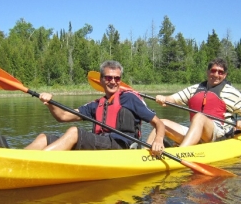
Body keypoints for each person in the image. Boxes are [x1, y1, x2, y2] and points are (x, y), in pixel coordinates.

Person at [24, 60, 166, 156]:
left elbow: (159, 124)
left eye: (117, 78)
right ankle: (13, 159)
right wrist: (50, 103)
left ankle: (36, 163)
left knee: (75, 132)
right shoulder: (96, 104)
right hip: (101, 146)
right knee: (44, 138)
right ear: (101, 80)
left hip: (121, 148)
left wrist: (158, 140)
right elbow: (63, 116)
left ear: (120, 80)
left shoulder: (129, 98)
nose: (113, 81)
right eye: (109, 78)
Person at [147, 58, 241, 147]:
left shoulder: (231, 92)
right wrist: (163, 98)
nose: (216, 74)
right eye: (213, 71)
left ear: (225, 75)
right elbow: (172, 99)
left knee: (199, 117)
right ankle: (144, 151)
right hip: (195, 132)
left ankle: (181, 151)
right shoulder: (194, 89)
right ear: (208, 72)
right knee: (161, 123)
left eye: (220, 72)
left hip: (217, 135)